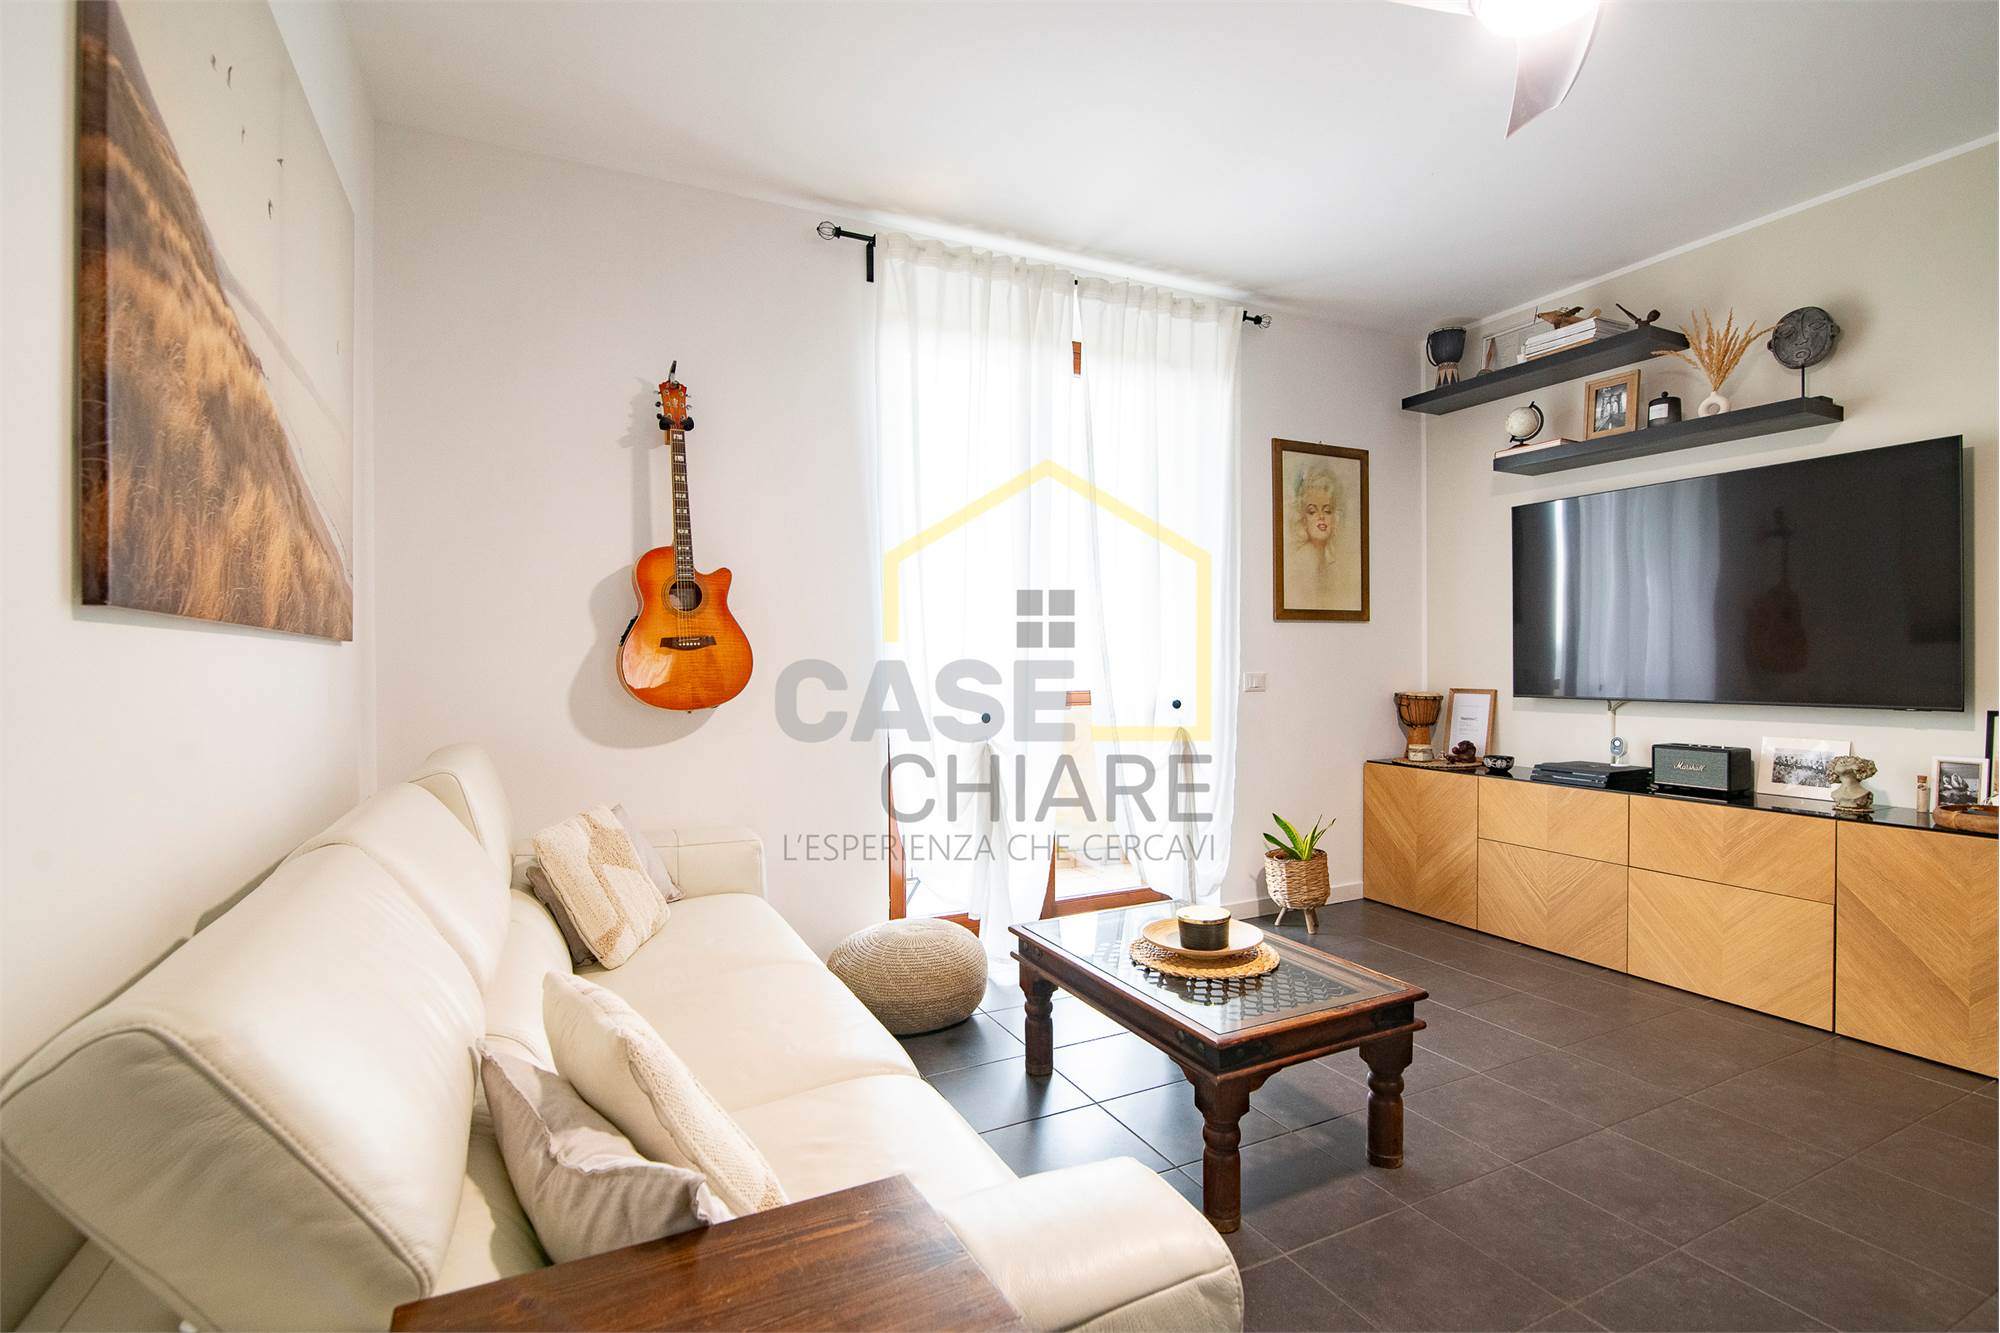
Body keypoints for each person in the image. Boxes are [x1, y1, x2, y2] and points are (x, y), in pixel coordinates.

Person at [1283, 462, 1358, 611]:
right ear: (1303, 519)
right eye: (1312, 511)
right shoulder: (1304, 558)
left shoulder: (1331, 560)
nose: (1321, 517)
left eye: (1327, 510)